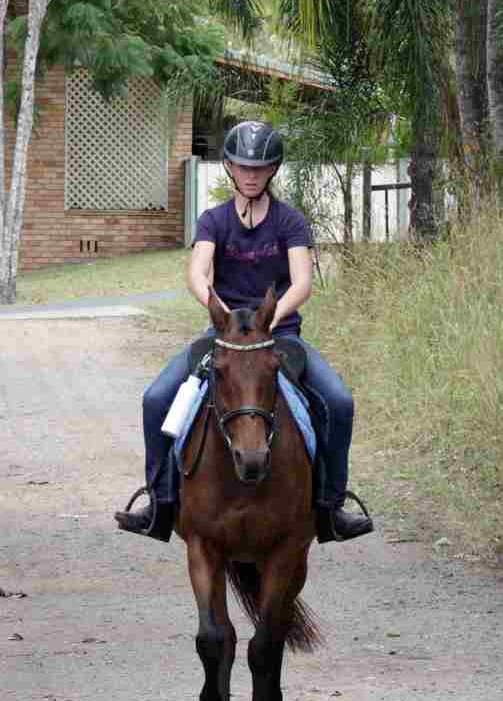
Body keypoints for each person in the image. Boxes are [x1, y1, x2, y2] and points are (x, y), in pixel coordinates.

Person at [114, 119, 373, 544]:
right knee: (155, 398)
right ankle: (159, 506)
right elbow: (198, 271)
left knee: (340, 403)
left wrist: (271, 317)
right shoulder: (213, 220)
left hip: (279, 337)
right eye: (244, 166)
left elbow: (302, 281)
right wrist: (217, 308)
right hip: (225, 337)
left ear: (272, 170)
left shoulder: (290, 221)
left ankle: (330, 507)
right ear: (231, 168)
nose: (252, 174)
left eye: (261, 167)